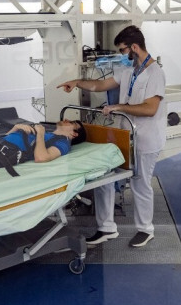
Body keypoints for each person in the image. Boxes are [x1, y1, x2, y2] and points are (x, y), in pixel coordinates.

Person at [57, 25, 166, 248]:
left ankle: (146, 230)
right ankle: (106, 227)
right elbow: (99, 84)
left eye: (124, 51)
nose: (122, 56)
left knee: (140, 184)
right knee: (104, 175)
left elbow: (150, 108)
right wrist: (77, 82)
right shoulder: (128, 71)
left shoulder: (155, 73)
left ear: (134, 47)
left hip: (146, 138)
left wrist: (119, 107)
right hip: (123, 135)